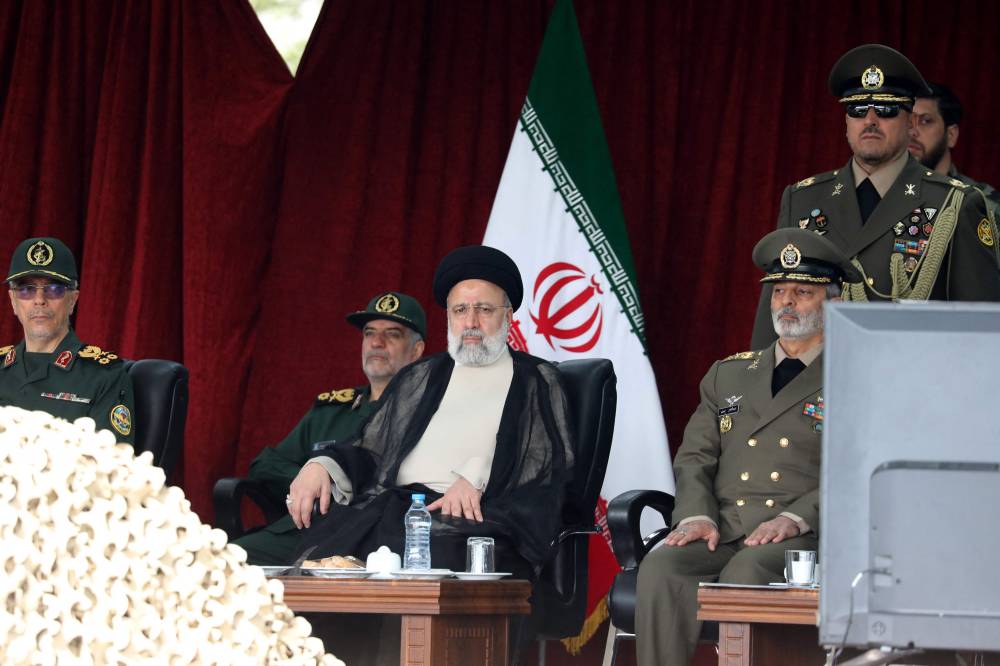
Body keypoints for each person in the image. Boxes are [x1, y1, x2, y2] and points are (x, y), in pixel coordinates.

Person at [636, 228, 862, 666]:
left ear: (833, 302)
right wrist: (697, 516)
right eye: (779, 291)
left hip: (805, 535)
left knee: (747, 571)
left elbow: (858, 469)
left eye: (802, 291)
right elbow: (696, 456)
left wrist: (799, 518)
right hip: (724, 526)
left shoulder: (855, 374)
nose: (787, 302)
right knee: (663, 566)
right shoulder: (729, 374)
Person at [288, 245, 574, 579]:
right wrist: (321, 465)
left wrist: (478, 476)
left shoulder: (536, 379)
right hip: (396, 513)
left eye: (484, 309)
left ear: (508, 315)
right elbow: (370, 448)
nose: (470, 323)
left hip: (472, 523)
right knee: (319, 561)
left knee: (432, 559)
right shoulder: (421, 376)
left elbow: (549, 463)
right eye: (460, 310)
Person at [750, 44, 1000, 349]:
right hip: (816, 388)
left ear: (909, 123)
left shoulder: (955, 203)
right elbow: (774, 316)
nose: (870, 120)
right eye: (857, 110)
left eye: (885, 110)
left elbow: (980, 331)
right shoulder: (803, 199)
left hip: (908, 385)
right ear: (846, 123)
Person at [233, 291, 427, 565]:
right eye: (369, 333)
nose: (377, 342)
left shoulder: (428, 414)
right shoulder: (331, 409)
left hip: (373, 538)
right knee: (222, 561)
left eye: (392, 334)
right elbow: (265, 465)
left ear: (417, 351)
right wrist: (310, 480)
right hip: (306, 531)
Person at [1, 237, 134, 443]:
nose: (39, 300)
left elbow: (109, 469)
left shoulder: (104, 376)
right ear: (13, 301)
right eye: (26, 289)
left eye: (54, 289)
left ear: (72, 300)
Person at [909, 82, 1000, 213]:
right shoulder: (883, 193)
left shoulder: (983, 204)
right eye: (907, 121)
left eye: (926, 121)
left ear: (951, 135)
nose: (912, 131)